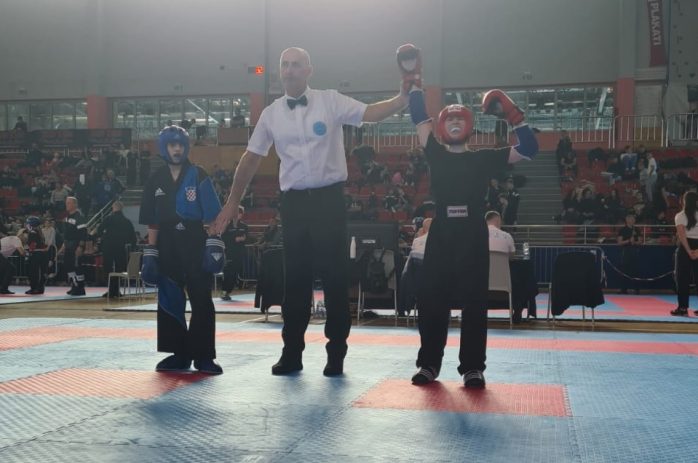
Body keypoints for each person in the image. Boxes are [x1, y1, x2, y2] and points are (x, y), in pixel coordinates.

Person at [211, 46, 409, 377]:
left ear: (308, 70)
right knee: (295, 281)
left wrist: (402, 98)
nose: (289, 70)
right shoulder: (271, 114)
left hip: (329, 201)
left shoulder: (330, 101)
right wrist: (232, 201)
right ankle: (292, 353)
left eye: (296, 65)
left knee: (335, 278)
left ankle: (336, 354)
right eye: (285, 65)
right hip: (294, 204)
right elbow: (251, 157)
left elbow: (371, 113)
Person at [402, 44, 538, 388]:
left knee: (475, 302)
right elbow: (418, 117)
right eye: (449, 118)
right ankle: (429, 364)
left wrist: (514, 115)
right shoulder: (435, 152)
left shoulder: (483, 158)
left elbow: (529, 149)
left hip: (472, 233)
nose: (454, 122)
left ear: (470, 125)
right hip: (442, 231)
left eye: (460, 118)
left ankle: (473, 367)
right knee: (432, 299)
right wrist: (414, 80)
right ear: (442, 125)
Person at [139, 125, 225, 375]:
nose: (176, 149)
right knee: (169, 297)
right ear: (164, 148)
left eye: (180, 145)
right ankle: (179, 354)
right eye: (171, 145)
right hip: (167, 243)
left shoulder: (198, 174)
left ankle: (203, 356)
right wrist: (151, 251)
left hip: (195, 239)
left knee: (202, 299)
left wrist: (214, 242)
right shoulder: (155, 179)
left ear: (186, 147)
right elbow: (152, 221)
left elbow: (212, 215)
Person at [98, 200, 137, 298]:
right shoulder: (127, 221)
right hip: (121, 248)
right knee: (119, 269)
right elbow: (133, 237)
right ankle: (116, 290)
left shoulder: (109, 218)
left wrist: (104, 237)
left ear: (113, 208)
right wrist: (131, 248)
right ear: (122, 208)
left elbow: (99, 230)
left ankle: (110, 290)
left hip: (108, 247)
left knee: (108, 268)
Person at [671, 191, 698, 316]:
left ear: (684, 201)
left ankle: (682, 308)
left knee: (682, 278)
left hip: (684, 247)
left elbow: (682, 236)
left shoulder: (680, 216)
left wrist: (688, 251)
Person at [60, 196, 88, 296]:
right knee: (68, 265)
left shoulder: (79, 217)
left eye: (69, 203)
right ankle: (74, 285)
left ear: (75, 204)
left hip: (76, 244)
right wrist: (64, 245)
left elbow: (83, 232)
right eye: (66, 202)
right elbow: (67, 234)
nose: (66, 205)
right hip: (68, 245)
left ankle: (80, 287)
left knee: (77, 266)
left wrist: (80, 246)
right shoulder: (67, 217)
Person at [221, 206, 248, 300]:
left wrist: (243, 239)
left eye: (240, 213)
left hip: (239, 253)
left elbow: (248, 238)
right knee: (228, 271)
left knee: (235, 272)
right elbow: (223, 237)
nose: (238, 215)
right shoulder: (227, 225)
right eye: (236, 213)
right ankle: (224, 291)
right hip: (230, 252)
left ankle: (228, 291)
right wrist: (234, 239)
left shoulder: (244, 226)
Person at [22, 216, 49, 295]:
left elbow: (32, 245)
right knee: (42, 271)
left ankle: (34, 288)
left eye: (28, 223)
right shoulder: (40, 232)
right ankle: (40, 288)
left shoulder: (32, 232)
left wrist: (28, 251)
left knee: (33, 272)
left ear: (31, 224)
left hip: (36, 254)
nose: (26, 225)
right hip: (43, 254)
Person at [616, 213, 642, 294]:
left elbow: (640, 241)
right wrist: (628, 241)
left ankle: (636, 289)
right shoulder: (623, 230)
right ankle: (623, 289)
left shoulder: (637, 229)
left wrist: (635, 242)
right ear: (627, 220)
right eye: (631, 219)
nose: (633, 220)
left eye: (634, 219)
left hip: (635, 251)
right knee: (624, 271)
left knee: (636, 271)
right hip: (626, 252)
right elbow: (619, 242)